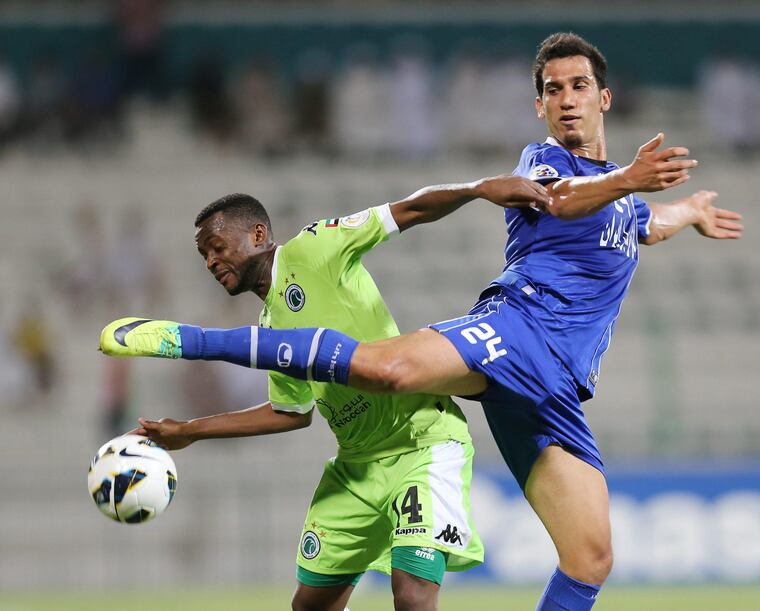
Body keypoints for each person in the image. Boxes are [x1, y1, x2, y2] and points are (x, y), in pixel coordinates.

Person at [101, 33, 743, 609]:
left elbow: (639, 227)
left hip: (560, 385)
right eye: (553, 90)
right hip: (516, 330)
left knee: (591, 557)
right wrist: (631, 177)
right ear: (540, 107)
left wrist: (685, 213)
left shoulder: (620, 201)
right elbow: (565, 204)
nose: (567, 100)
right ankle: (187, 339)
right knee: (388, 370)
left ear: (605, 97)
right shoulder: (545, 164)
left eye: (579, 87)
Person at [110, 176, 550, 611]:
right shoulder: (269, 326)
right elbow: (291, 412)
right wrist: (191, 431)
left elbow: (407, 210)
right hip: (356, 469)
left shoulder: (314, 247)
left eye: (216, 247)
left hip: (422, 444)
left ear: (258, 235)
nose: (209, 261)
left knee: (413, 596)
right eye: (203, 254)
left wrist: (477, 190)